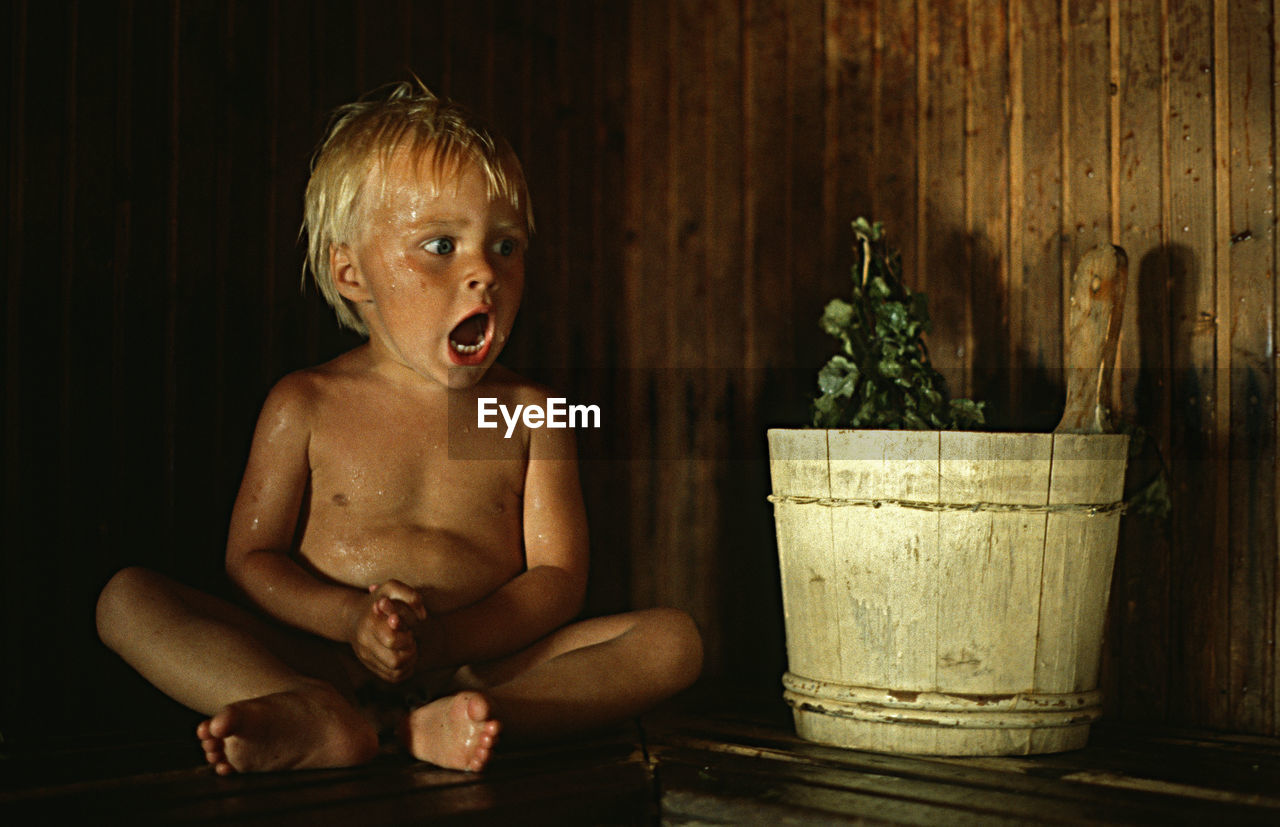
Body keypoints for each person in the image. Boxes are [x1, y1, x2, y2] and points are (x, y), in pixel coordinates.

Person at [96, 82, 703, 776]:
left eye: (505, 246)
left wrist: (444, 641)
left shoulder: (527, 410)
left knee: (671, 638)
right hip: (321, 656)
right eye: (440, 244)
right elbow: (252, 561)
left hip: (477, 667)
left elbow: (558, 576)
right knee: (127, 599)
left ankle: (482, 717)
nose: (483, 272)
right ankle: (309, 707)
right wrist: (350, 622)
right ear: (350, 271)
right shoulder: (309, 402)